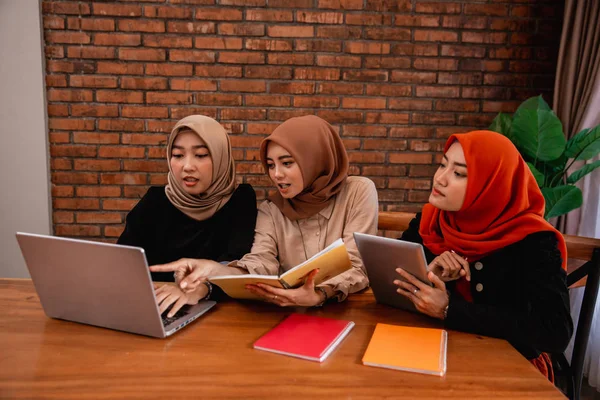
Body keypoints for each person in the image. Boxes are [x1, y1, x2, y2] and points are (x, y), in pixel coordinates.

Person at [393, 130, 573, 381]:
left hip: (509, 368)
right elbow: (393, 281)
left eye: (459, 173)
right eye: (443, 164)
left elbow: (554, 332)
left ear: (491, 184)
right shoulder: (431, 220)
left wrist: (449, 309)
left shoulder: (534, 241)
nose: (440, 179)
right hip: (434, 355)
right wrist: (427, 272)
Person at [150, 115, 378, 307]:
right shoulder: (271, 209)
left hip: (349, 311)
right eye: (270, 165)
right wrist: (214, 270)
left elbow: (356, 264)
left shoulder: (358, 192)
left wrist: (320, 293)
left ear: (314, 159)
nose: (276, 174)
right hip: (288, 315)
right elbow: (261, 262)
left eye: (287, 163)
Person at [118, 115, 257, 317]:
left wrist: (202, 288)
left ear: (221, 157)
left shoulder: (240, 200)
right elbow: (124, 261)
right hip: (155, 308)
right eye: (177, 155)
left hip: (221, 316)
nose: (187, 166)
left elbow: (240, 268)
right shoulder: (155, 200)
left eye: (200, 155)